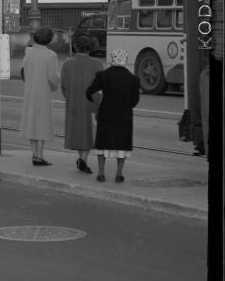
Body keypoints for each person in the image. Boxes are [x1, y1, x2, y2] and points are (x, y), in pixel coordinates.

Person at [86, 47, 141, 183]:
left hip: (106, 113)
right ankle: (119, 174)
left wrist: (98, 103)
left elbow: (89, 91)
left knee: (102, 144)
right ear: (125, 61)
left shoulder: (102, 75)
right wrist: (126, 106)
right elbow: (135, 100)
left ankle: (101, 173)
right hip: (124, 115)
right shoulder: (133, 79)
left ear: (111, 60)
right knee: (122, 145)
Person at [61, 34, 102, 174]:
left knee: (78, 132)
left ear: (76, 47)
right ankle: (83, 159)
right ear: (89, 48)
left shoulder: (67, 64)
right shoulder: (97, 64)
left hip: (73, 103)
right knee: (89, 133)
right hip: (91, 103)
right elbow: (101, 87)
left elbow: (64, 87)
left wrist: (71, 98)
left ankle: (82, 158)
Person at [20, 25, 61, 166]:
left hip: (30, 91)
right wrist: (55, 86)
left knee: (31, 122)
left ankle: (34, 153)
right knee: (42, 123)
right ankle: (40, 154)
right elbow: (53, 77)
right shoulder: (51, 56)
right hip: (43, 92)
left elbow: (24, 71)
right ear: (49, 40)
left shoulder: (28, 52)